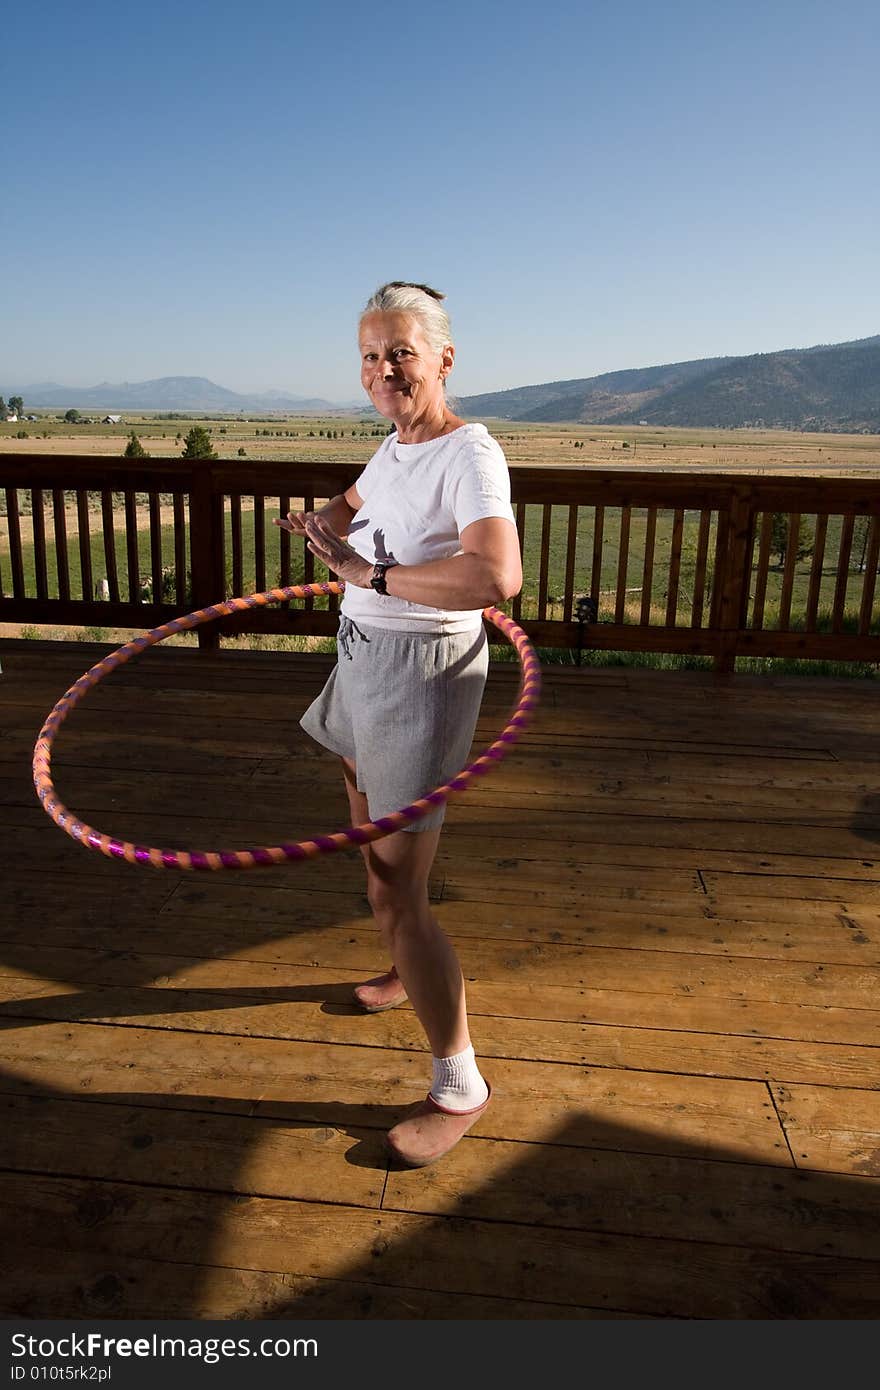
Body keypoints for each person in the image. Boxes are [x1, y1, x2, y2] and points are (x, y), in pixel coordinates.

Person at [273, 282, 522, 1167]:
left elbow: (497, 578)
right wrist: (325, 525)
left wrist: (370, 577)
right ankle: (398, 955)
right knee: (372, 848)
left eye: (401, 354)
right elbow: (355, 505)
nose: (383, 371)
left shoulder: (470, 455)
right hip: (361, 658)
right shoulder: (396, 446)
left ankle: (462, 1083)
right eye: (371, 357)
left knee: (394, 888)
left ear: (444, 359)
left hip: (418, 675)